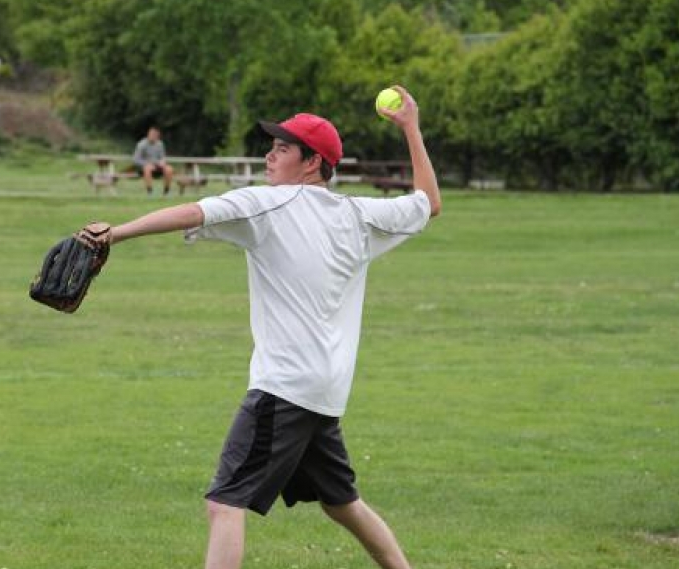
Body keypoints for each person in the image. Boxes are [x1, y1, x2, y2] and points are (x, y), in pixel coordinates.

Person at [97, 85, 440, 568]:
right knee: (342, 504)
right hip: (323, 389)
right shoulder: (359, 214)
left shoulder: (267, 204)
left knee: (224, 503)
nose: (268, 156)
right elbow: (428, 201)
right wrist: (411, 129)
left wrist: (115, 232)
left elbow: (193, 212)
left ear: (312, 162)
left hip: (285, 387)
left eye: (282, 148)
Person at [133, 126, 175, 196]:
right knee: (148, 168)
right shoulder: (141, 144)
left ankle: (166, 192)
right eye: (152, 134)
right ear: (148, 134)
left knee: (169, 169)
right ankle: (150, 192)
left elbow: (162, 157)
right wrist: (147, 164)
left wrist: (162, 162)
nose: (153, 136)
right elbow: (136, 159)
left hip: (158, 166)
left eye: (155, 135)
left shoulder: (160, 144)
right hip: (144, 167)